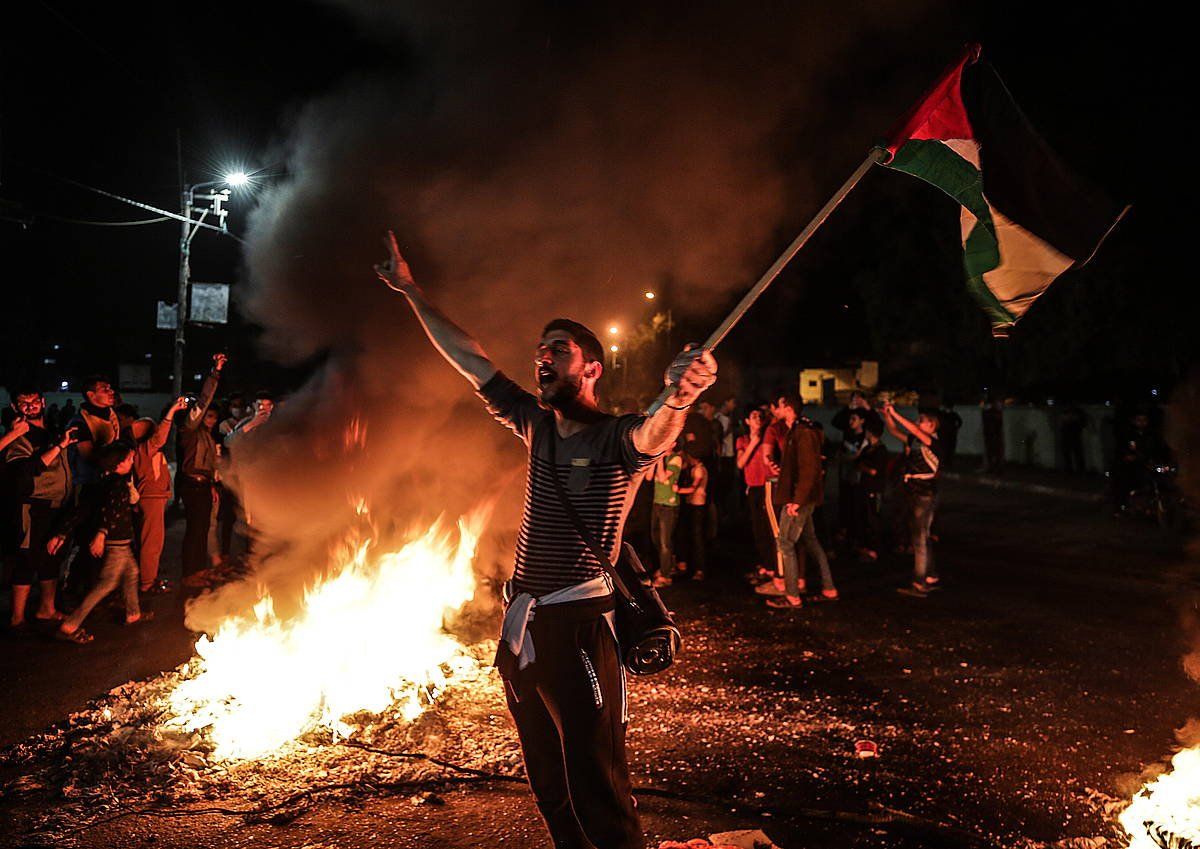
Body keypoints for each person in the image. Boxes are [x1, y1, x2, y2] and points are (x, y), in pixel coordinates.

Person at [376, 231, 715, 849]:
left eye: (558, 349)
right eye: (539, 350)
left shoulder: (618, 439)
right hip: (525, 627)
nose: (543, 357)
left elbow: (656, 433)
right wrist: (411, 291)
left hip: (582, 627)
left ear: (591, 367)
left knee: (599, 789)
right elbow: (470, 357)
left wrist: (683, 396)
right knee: (551, 792)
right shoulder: (534, 423)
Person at [51, 442, 152, 643]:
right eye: (130, 458)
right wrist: (101, 534)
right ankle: (70, 625)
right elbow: (110, 512)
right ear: (119, 463)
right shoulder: (118, 485)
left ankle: (134, 614)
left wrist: (62, 533)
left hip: (118, 541)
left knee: (131, 573)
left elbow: (83, 510)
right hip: (116, 543)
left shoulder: (101, 483)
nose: (133, 461)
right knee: (106, 584)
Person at [3, 389, 77, 630]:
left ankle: (47, 609)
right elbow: (22, 475)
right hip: (34, 507)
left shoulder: (51, 430)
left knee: (51, 558)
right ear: (15, 407)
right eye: (23, 402)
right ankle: (17, 617)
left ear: (43, 402)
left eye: (34, 401)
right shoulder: (18, 437)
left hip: (58, 504)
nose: (30, 406)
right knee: (27, 559)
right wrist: (57, 447)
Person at [759, 394, 836, 609]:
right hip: (799, 496)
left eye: (780, 404)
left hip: (798, 498)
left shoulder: (803, 432)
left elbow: (810, 470)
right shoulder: (798, 429)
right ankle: (829, 588)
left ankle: (792, 595)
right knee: (810, 540)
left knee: (785, 542)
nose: (776, 408)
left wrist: (797, 501)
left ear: (788, 407)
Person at [883, 403, 945, 597]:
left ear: (932, 426)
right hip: (916, 492)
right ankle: (930, 576)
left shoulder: (931, 441)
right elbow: (893, 431)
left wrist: (895, 412)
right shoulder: (916, 440)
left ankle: (919, 582)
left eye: (922, 421)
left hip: (924, 493)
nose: (918, 424)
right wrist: (888, 416)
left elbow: (912, 429)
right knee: (922, 536)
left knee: (919, 539)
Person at [177, 353, 227, 588]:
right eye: (205, 415)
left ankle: (200, 570)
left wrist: (212, 486)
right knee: (195, 531)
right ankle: (190, 574)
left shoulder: (207, 436)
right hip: (192, 486)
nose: (209, 418)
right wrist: (214, 372)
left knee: (202, 529)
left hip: (203, 486)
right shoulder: (189, 430)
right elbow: (203, 400)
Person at [131, 397, 189, 593]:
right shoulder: (145, 449)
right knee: (151, 542)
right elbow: (161, 437)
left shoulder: (145, 451)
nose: (158, 432)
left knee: (151, 541)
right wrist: (172, 412)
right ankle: (147, 582)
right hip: (151, 499)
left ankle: (148, 577)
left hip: (152, 498)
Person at [736, 406, 775, 581]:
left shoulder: (769, 438)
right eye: (753, 416)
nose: (757, 418)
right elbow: (740, 463)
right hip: (753, 487)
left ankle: (772, 567)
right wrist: (753, 442)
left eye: (760, 416)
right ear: (747, 421)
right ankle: (767, 564)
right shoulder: (743, 440)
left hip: (767, 487)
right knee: (758, 529)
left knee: (768, 528)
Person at [853, 418, 889, 561]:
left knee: (873, 518)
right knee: (864, 517)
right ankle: (865, 546)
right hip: (865, 487)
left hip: (874, 488)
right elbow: (857, 461)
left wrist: (864, 467)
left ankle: (874, 548)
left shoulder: (880, 450)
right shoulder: (868, 448)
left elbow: (875, 471)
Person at [649, 444, 684, 587]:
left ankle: (666, 576)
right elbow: (649, 477)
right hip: (657, 503)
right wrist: (656, 459)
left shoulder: (676, 459)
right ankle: (668, 565)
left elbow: (663, 477)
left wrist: (658, 460)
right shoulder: (662, 458)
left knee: (665, 542)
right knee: (655, 537)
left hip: (669, 506)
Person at [674, 448, 708, 581]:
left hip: (697, 506)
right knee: (692, 536)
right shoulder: (695, 468)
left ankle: (700, 569)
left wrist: (678, 490)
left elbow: (694, 487)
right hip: (693, 505)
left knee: (697, 537)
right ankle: (694, 567)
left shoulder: (699, 469)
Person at [1059, 404, 1088, 473]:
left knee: (1077, 453)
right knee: (1067, 453)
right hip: (1067, 435)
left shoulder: (1078, 412)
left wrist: (1074, 420)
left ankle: (1080, 469)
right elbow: (1062, 422)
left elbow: (1082, 423)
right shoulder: (1065, 412)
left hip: (1075, 435)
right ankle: (1069, 469)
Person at [981, 398, 1005, 474]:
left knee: (995, 453)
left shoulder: (994, 413)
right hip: (992, 435)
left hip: (994, 435)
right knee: (992, 453)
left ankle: (995, 468)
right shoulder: (992, 413)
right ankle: (993, 468)